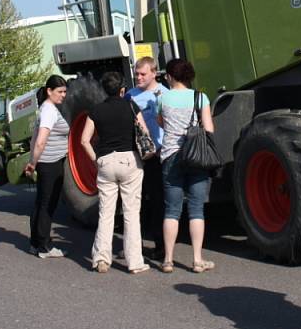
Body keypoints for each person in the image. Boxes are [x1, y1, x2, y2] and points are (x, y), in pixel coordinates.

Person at [81, 71, 151, 275]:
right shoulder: (131, 106)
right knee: (131, 213)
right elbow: (144, 132)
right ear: (122, 90)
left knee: (106, 213)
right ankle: (135, 262)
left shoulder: (96, 110)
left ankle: (102, 259)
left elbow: (84, 140)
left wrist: (96, 161)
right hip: (129, 160)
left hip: (105, 161)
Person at [156, 58, 215, 274]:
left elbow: (161, 122)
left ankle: (168, 260)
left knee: (172, 210)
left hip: (171, 156)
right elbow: (209, 129)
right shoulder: (200, 97)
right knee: (196, 209)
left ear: (171, 76)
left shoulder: (163, 98)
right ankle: (197, 260)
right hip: (196, 157)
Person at [125, 57, 167, 259]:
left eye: (142, 74)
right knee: (136, 203)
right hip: (138, 157)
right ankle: (136, 246)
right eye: (136, 74)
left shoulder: (165, 94)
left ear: (154, 73)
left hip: (159, 155)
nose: (138, 77)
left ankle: (161, 245)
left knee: (159, 201)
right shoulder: (130, 97)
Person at [24, 75, 69, 258]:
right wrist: (33, 163)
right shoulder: (49, 110)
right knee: (47, 205)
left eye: (65, 91)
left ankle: (35, 243)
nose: (63, 95)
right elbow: (41, 140)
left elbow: (34, 137)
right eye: (60, 91)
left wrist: (33, 161)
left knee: (41, 203)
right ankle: (44, 246)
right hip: (50, 164)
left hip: (46, 163)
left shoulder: (44, 108)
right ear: (49, 91)